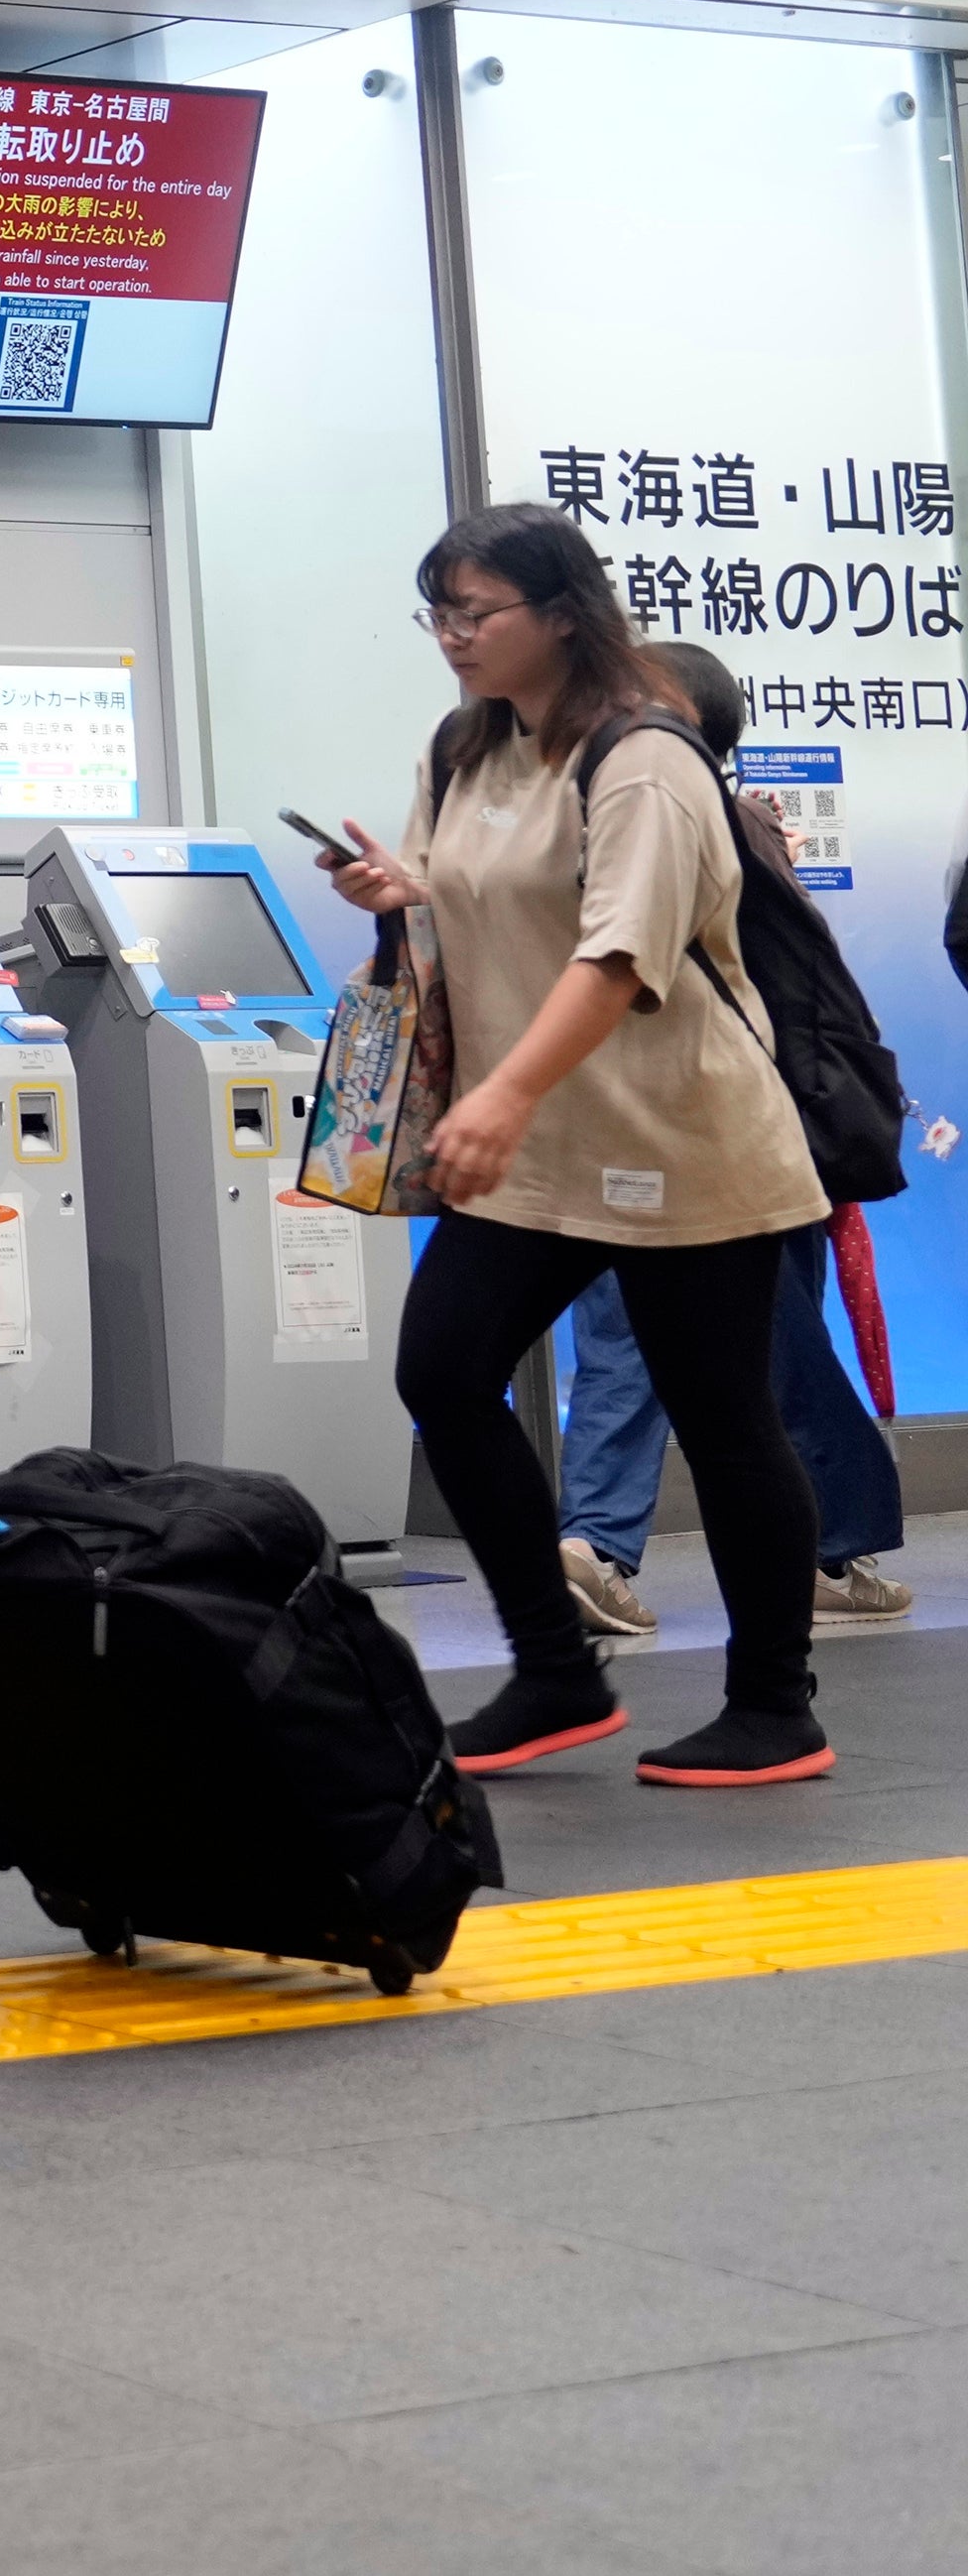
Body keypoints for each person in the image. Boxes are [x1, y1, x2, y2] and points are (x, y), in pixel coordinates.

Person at [330, 506, 838, 1785]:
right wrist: (404, 894)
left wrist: (496, 1097)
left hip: (682, 1137)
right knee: (443, 1370)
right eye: (435, 611)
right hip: (537, 1146)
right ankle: (557, 1672)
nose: (450, 637)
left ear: (562, 613)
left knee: (725, 1418)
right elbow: (471, 892)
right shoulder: (466, 745)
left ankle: (778, 1705)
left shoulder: (644, 755)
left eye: (474, 612)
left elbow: (619, 954)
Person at [544, 649, 907, 1640]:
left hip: (722, 1126)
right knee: (733, 1342)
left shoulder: (697, 814)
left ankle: (617, 1549)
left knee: (720, 1344)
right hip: (681, 1125)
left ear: (681, 720)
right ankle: (798, 1546)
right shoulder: (626, 811)